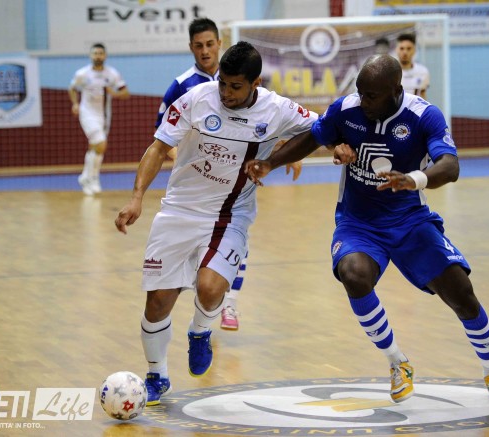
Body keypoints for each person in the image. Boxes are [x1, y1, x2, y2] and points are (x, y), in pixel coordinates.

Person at [245, 54, 489, 404]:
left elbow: (450, 167)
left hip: (410, 221)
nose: (364, 101)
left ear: (396, 90)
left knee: (461, 293)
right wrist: (270, 163)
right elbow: (314, 137)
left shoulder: (424, 116)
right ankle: (397, 362)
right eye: (360, 93)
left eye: (372, 96)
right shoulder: (346, 109)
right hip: (358, 223)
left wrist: (413, 180)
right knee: (353, 273)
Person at [115, 41, 318, 406]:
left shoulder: (277, 108)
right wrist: (136, 197)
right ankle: (157, 375)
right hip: (179, 210)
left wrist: (305, 150)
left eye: (235, 86)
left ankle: (200, 331)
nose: (226, 92)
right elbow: (158, 148)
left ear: (255, 83)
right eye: (222, 82)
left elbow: (322, 128)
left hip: (229, 214)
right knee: (157, 302)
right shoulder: (196, 99)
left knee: (210, 288)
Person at [154, 18, 302, 330]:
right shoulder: (185, 87)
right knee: (183, 279)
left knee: (234, 238)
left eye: (210, 44)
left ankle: (228, 303)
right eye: (199, 45)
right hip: (193, 191)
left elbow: (266, 125)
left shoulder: (253, 86)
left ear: (220, 44)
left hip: (234, 189)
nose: (205, 50)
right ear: (191, 48)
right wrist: (185, 162)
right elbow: (163, 134)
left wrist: (286, 151)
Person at [69, 43, 129, 195]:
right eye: (95, 53)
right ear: (91, 55)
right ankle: (93, 178)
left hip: (104, 115)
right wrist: (75, 104)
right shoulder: (82, 74)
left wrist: (114, 93)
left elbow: (126, 93)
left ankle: (85, 177)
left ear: (105, 55)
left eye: (100, 53)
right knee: (101, 143)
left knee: (95, 147)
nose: (98, 56)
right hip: (87, 113)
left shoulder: (112, 74)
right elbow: (72, 89)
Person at [395, 33, 430, 99]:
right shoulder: (391, 72)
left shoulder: (423, 72)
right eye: (402, 48)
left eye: (409, 49)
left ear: (414, 50)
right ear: (396, 50)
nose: (405, 52)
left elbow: (423, 94)